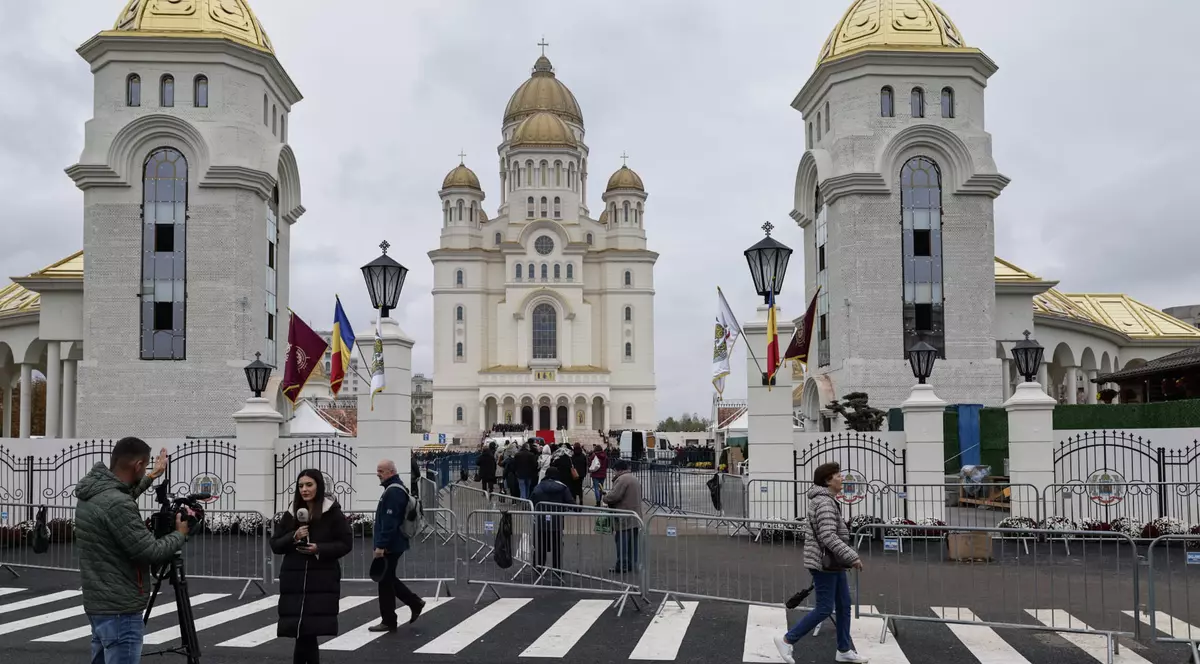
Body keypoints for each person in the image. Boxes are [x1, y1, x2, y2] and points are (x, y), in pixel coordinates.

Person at [75, 437, 186, 664]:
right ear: (137, 465)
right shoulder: (116, 503)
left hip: (100, 604)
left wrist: (152, 475)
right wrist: (180, 534)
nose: (144, 470)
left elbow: (120, 498)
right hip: (120, 609)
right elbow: (150, 551)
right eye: (144, 467)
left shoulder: (94, 493)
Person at [773, 462, 868, 664]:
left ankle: (843, 650)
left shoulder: (827, 500)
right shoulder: (824, 503)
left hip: (832, 563)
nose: (842, 478)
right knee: (825, 608)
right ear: (828, 480)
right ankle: (787, 640)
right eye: (838, 475)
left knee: (843, 605)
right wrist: (852, 556)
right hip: (824, 563)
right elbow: (827, 536)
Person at [271, 470, 353, 664]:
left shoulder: (332, 513)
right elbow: (275, 544)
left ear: (318, 486)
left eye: (309, 485)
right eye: (301, 486)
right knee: (303, 633)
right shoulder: (292, 512)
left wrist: (319, 549)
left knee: (307, 632)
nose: (304, 490)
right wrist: (294, 536)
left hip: (321, 580)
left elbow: (345, 543)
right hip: (294, 580)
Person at [368, 459, 426, 632]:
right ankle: (413, 603)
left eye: (381, 471)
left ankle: (390, 619)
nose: (377, 474)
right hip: (394, 543)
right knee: (388, 579)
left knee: (385, 581)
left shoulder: (393, 492)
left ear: (391, 472)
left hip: (391, 545)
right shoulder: (395, 489)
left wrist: (380, 545)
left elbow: (390, 521)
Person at [530, 466, 576, 570]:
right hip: (557, 521)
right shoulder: (563, 487)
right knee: (557, 546)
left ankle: (538, 567)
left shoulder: (538, 487)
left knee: (540, 545)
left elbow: (531, 501)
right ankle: (557, 569)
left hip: (540, 521)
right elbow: (570, 502)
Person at [602, 460, 643, 573]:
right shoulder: (633, 478)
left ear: (618, 469)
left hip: (623, 516)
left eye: (614, 470)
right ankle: (631, 563)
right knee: (632, 543)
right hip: (635, 515)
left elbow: (615, 496)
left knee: (622, 542)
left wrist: (605, 497)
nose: (613, 473)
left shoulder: (622, 479)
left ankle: (621, 565)